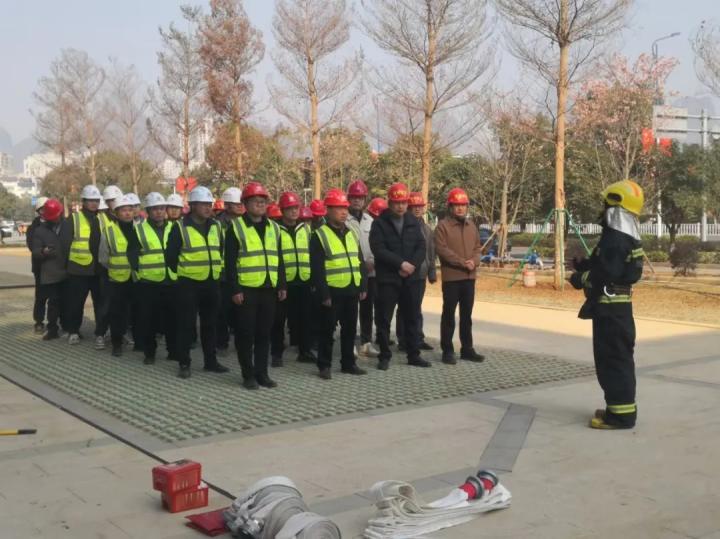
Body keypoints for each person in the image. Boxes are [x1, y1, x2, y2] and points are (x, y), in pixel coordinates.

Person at [570, 180, 645, 430]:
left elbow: (606, 273)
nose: (602, 209)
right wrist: (584, 265)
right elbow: (608, 265)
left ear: (615, 206)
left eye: (605, 204)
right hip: (616, 310)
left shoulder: (616, 239)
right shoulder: (623, 237)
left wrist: (580, 278)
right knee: (616, 359)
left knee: (612, 360)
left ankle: (621, 417)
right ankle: (617, 408)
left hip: (611, 310)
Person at [225, 182, 286, 389]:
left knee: (264, 334)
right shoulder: (235, 228)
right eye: (255, 201)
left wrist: (282, 285)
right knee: (246, 334)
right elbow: (229, 262)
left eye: (263, 201)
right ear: (245, 204)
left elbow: (279, 258)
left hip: (269, 289)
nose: (260, 204)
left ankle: (262, 373)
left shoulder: (274, 228)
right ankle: (248, 374)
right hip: (246, 290)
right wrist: (235, 289)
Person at [166, 185, 229, 378]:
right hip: (188, 284)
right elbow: (170, 257)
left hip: (212, 282)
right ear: (193, 205)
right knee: (186, 325)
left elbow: (221, 251)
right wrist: (183, 274)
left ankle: (211, 361)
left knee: (210, 325)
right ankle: (184, 363)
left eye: (209, 204)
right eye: (203, 204)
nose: (208, 207)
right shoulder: (179, 227)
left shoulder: (216, 226)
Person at [369, 183, 428, 370]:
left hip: (411, 278)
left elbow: (421, 246)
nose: (400, 206)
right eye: (396, 202)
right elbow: (378, 249)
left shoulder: (412, 221)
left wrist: (412, 265)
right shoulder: (379, 223)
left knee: (412, 317)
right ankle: (384, 356)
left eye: (403, 202)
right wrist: (400, 264)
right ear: (389, 203)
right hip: (388, 279)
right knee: (384, 319)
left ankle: (413, 354)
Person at [311, 189, 368, 379]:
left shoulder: (351, 233)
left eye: (345, 208)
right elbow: (317, 268)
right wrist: (324, 294)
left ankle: (348, 364)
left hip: (351, 289)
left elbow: (359, 260)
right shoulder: (319, 235)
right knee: (327, 331)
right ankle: (324, 365)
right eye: (338, 208)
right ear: (328, 210)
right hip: (332, 291)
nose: (344, 212)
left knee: (350, 330)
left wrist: (363, 285)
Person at [434, 188, 485, 364]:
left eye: (463, 205)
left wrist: (474, 261)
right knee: (448, 315)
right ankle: (447, 350)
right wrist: (463, 262)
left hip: (469, 278)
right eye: (457, 205)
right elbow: (442, 250)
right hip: (452, 278)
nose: (460, 208)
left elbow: (477, 248)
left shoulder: (472, 226)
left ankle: (467, 349)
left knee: (466, 316)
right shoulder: (443, 226)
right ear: (450, 207)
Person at [128, 192, 178, 364]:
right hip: (148, 283)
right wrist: (139, 274)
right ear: (148, 211)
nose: (159, 212)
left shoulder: (175, 227)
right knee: (148, 320)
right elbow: (132, 254)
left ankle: (173, 351)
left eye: (162, 208)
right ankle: (150, 353)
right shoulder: (139, 230)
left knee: (172, 319)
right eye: (155, 209)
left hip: (171, 280)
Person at [271, 191, 315, 366]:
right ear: (282, 210)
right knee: (278, 320)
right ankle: (276, 354)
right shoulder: (274, 230)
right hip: (284, 282)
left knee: (305, 318)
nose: (294, 211)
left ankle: (304, 351)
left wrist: (313, 280)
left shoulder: (306, 229)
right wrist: (279, 282)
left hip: (303, 280)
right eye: (290, 208)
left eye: (296, 207)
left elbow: (311, 254)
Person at [61, 184, 108, 347]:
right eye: (90, 200)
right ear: (84, 202)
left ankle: (100, 333)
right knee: (76, 304)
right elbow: (64, 245)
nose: (94, 203)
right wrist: (67, 268)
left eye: (96, 200)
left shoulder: (103, 219)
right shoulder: (74, 219)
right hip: (78, 270)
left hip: (99, 269)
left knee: (101, 304)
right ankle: (73, 331)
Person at [397, 192, 436, 352]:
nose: (418, 209)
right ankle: (403, 339)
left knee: (417, 307)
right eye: (414, 206)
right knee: (404, 307)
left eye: (420, 206)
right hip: (406, 273)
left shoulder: (427, 229)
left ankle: (417, 338)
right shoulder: (402, 226)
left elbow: (431, 252)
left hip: (421, 274)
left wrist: (432, 272)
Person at [98, 194, 137, 357]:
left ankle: (138, 342)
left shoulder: (140, 229)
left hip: (136, 278)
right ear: (116, 213)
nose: (127, 213)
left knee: (136, 311)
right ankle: (117, 343)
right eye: (123, 210)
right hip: (116, 279)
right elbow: (103, 257)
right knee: (116, 313)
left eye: (130, 210)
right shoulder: (109, 231)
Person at [345, 180, 379, 358]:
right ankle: (349, 343)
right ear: (348, 199)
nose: (357, 200)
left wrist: (372, 261)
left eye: (360, 197)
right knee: (350, 310)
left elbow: (376, 244)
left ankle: (366, 343)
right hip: (351, 272)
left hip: (370, 272)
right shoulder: (344, 220)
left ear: (365, 200)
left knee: (367, 309)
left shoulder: (370, 221)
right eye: (354, 197)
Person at [30, 199, 68, 340]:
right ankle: (51, 328)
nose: (55, 219)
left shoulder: (67, 226)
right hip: (49, 272)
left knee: (67, 301)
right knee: (52, 301)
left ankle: (68, 326)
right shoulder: (39, 230)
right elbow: (35, 251)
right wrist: (43, 251)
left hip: (67, 270)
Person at [215, 187, 244, 353]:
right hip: (223, 274)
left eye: (241, 203)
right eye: (236, 204)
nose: (240, 206)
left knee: (241, 312)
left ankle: (242, 343)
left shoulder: (247, 223)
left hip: (243, 273)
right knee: (222, 311)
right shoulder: (216, 224)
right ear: (227, 205)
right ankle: (221, 343)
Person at [27, 196, 49, 334]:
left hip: (57, 266)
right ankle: (39, 321)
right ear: (39, 211)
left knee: (57, 297)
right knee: (41, 296)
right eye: (44, 209)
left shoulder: (57, 223)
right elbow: (32, 245)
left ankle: (56, 322)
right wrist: (43, 251)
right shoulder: (33, 227)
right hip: (40, 266)